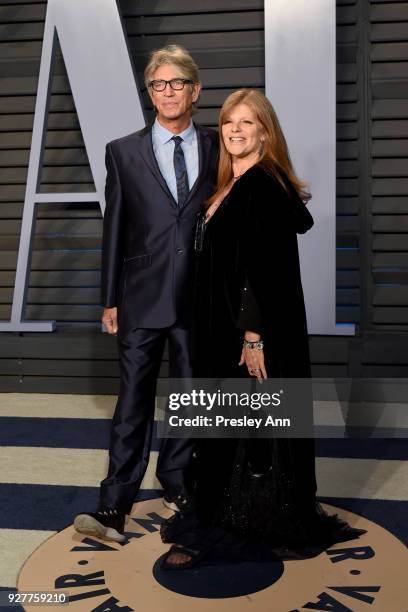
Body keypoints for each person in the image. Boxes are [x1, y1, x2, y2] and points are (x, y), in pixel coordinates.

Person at [160, 89, 366, 568]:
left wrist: (254, 337)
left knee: (254, 431)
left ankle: (237, 525)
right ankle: (229, 514)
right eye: (229, 121)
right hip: (220, 330)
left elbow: (265, 269)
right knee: (236, 426)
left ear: (264, 133)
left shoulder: (264, 185)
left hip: (249, 334)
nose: (234, 130)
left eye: (246, 123)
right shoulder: (228, 184)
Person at [74, 45, 218, 542]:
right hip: (139, 297)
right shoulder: (122, 150)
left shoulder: (222, 145)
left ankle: (178, 480)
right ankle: (114, 502)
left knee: (192, 396)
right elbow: (115, 226)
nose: (168, 92)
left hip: (200, 298)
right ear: (149, 93)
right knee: (132, 401)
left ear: (195, 91)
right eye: (159, 84)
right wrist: (108, 297)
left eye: (178, 83)